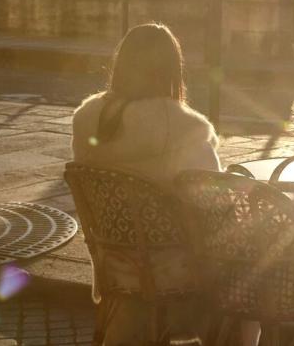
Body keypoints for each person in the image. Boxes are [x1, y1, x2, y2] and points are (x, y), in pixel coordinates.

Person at [71, 23, 220, 345]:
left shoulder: (88, 117)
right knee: (255, 264)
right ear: (170, 69)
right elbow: (214, 204)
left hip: (115, 260)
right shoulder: (183, 128)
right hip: (171, 266)